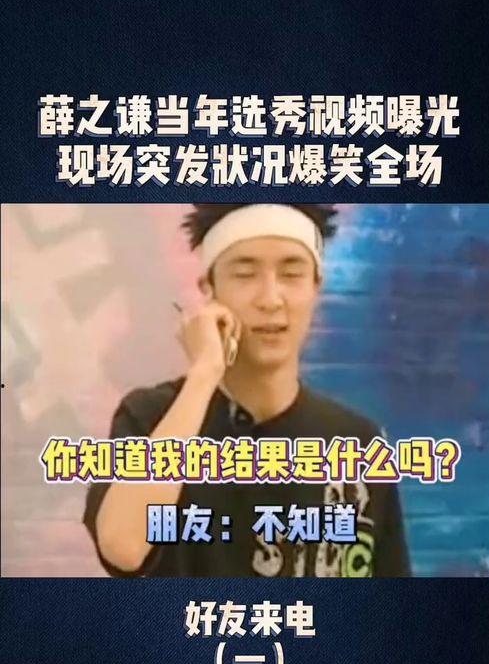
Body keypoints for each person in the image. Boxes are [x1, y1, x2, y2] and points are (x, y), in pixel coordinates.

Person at [83, 204, 411, 578]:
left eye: (291, 274)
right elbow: (123, 547)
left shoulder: (358, 441)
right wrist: (204, 374)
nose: (270, 299)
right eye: (245, 274)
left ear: (316, 288)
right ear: (209, 290)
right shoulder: (151, 417)